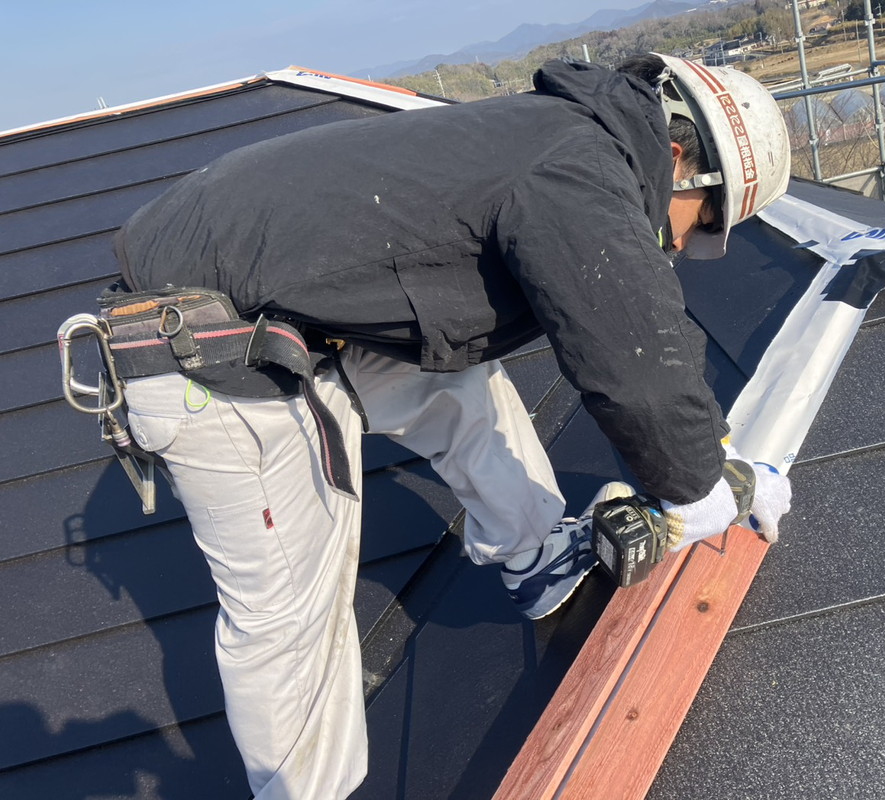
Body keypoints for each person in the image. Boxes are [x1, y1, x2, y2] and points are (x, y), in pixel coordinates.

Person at [101, 53, 793, 799]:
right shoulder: (579, 169)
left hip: (270, 313)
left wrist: (713, 451)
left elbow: (647, 320)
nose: (685, 244)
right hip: (205, 348)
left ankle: (534, 558)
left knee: (459, 386)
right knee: (291, 610)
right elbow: (630, 360)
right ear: (681, 159)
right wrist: (698, 490)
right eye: (705, 221)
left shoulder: (562, 136)